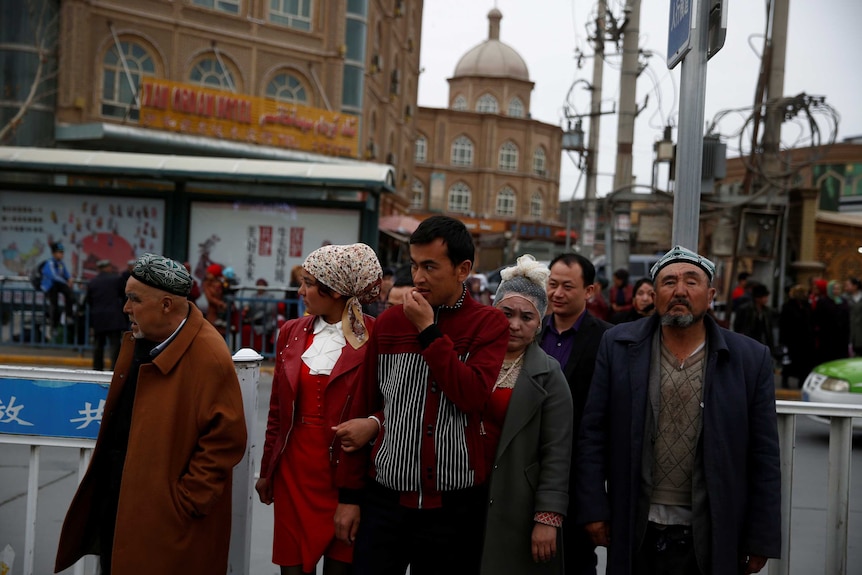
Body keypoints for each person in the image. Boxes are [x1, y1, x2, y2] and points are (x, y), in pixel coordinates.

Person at [576, 245, 781, 575]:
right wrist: (593, 508)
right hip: (634, 521)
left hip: (712, 526)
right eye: (669, 282)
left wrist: (761, 537)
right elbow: (593, 434)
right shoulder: (618, 346)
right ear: (654, 293)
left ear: (710, 294)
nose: (680, 291)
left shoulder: (748, 359)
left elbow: (764, 454)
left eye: (691, 281)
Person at [335, 215, 509, 575]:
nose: (418, 278)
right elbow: (367, 405)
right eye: (414, 265)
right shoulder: (388, 324)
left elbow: (472, 395)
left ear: (463, 270)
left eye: (430, 266)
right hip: (386, 500)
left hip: (455, 507)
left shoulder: (488, 324)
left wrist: (428, 331)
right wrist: (349, 498)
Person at [55, 253, 247, 575]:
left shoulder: (208, 355)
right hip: (124, 502)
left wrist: (184, 501)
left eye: (134, 299)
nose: (125, 308)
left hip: (166, 519)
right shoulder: (142, 339)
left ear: (167, 305)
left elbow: (226, 440)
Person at [256, 243, 381, 575]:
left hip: (344, 474)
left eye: (309, 282)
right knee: (292, 567)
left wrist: (373, 423)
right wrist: (268, 470)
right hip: (293, 469)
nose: (301, 291)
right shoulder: (291, 332)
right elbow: (277, 410)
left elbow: (391, 406)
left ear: (335, 291)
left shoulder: (374, 336)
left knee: (342, 565)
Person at [479, 255, 573, 575]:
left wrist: (547, 517)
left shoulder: (549, 374)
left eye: (527, 317)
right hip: (468, 495)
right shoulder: (471, 360)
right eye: (506, 313)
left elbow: (557, 452)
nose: (514, 324)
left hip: (518, 503)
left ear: (540, 323)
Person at [538, 253, 611, 575]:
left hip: (578, 476)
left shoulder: (607, 340)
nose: (557, 293)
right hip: (531, 470)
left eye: (568, 286)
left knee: (576, 562)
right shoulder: (532, 331)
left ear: (590, 291)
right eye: (552, 285)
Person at [84, 259, 127, 370]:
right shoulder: (116, 279)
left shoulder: (93, 282)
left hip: (99, 318)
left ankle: (97, 369)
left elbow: (89, 300)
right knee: (115, 345)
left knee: (98, 345)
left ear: (98, 269)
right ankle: (114, 369)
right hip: (114, 317)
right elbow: (123, 296)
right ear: (108, 267)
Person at [779, 284, 815, 388]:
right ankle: (785, 380)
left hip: (805, 340)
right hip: (792, 339)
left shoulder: (807, 306)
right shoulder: (788, 306)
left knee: (804, 363)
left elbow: (810, 321)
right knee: (788, 362)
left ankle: (802, 381)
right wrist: (783, 340)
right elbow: (784, 324)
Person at [813, 279, 850, 364]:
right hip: (827, 335)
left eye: (838, 289)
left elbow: (846, 317)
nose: (836, 291)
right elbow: (818, 318)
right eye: (834, 289)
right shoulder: (823, 301)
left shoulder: (843, 301)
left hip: (841, 336)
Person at [733, 283, 776, 352]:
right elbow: (738, 326)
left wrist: (771, 347)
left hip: (761, 342)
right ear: (757, 298)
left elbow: (768, 331)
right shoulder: (745, 309)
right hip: (748, 341)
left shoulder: (767, 311)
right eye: (764, 297)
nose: (766, 299)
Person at [41, 241, 75, 328]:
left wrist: (70, 278)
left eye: (62, 252)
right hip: (50, 286)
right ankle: (53, 326)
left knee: (70, 294)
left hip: (58, 284)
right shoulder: (50, 263)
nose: (62, 255)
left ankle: (69, 316)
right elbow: (54, 276)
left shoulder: (61, 263)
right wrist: (65, 282)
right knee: (54, 305)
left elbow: (65, 273)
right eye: (60, 253)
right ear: (54, 253)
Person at [845, 277, 862, 356]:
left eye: (848, 285)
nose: (846, 287)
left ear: (855, 286)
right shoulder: (845, 298)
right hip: (850, 331)